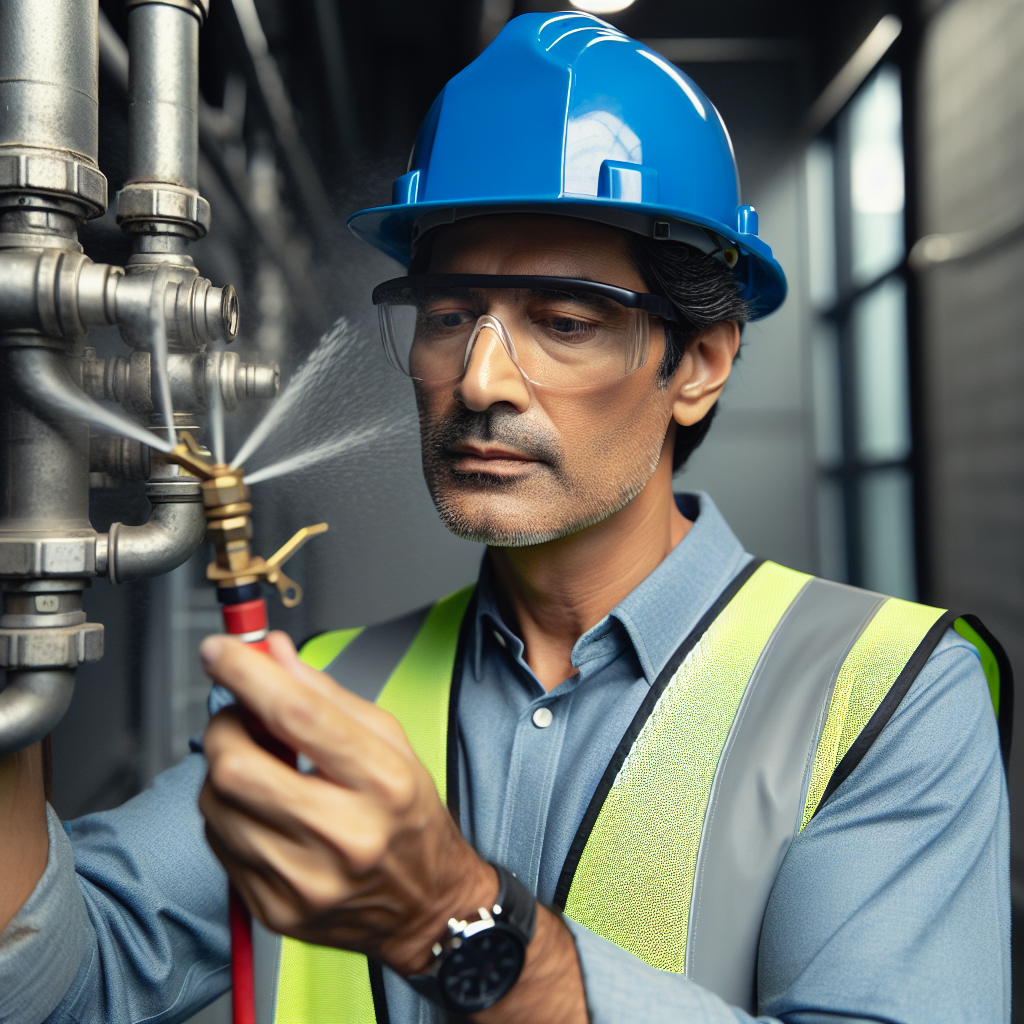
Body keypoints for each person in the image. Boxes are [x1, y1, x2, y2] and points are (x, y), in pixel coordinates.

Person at [0, 12, 1011, 1024]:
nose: (479, 380)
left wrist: (451, 915)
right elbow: (59, 981)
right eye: (447, 317)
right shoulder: (317, 699)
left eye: (562, 322)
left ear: (698, 362)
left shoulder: (884, 695)